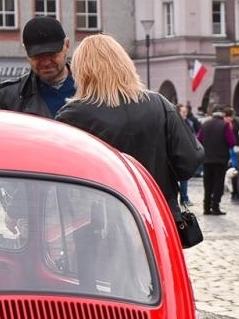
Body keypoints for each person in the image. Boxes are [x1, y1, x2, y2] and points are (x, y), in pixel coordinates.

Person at [56, 34, 203, 216]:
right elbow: (189, 162)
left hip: (98, 220)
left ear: (82, 72)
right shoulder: (159, 105)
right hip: (156, 216)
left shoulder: (72, 116)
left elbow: (60, 175)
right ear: (124, 65)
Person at [0, 16, 75, 117]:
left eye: (52, 54)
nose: (46, 62)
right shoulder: (9, 97)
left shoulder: (95, 88)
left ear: (67, 45)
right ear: (26, 52)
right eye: (38, 56)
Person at [197, 107, 236, 215]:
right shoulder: (225, 125)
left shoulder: (205, 125)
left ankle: (206, 207)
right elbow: (232, 142)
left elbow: (198, 140)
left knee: (207, 184)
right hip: (220, 159)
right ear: (222, 115)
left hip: (207, 159)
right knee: (218, 184)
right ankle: (215, 207)